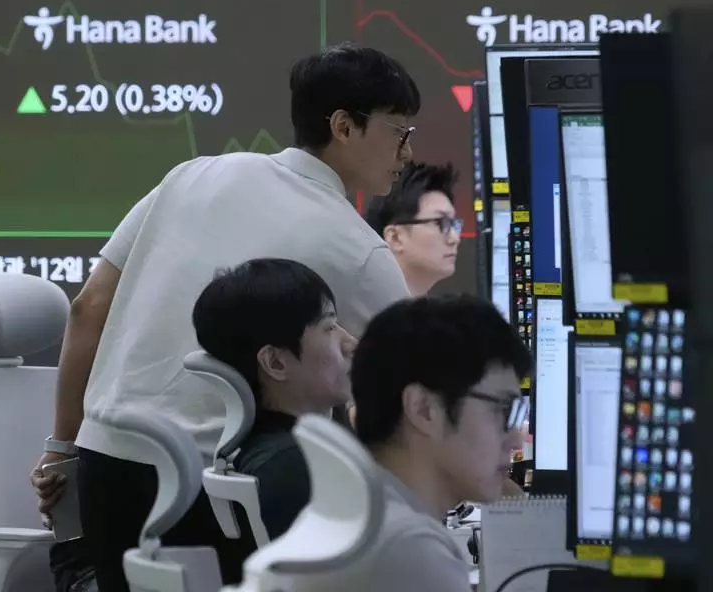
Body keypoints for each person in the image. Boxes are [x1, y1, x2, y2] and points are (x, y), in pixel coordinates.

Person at [30, 43, 419, 592]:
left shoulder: (193, 175)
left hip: (105, 468)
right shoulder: (360, 251)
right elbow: (421, 397)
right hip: (222, 490)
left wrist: (62, 450)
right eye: (400, 132)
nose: (407, 155)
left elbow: (88, 307)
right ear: (343, 126)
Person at [297, 295, 532, 591]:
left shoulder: (360, 516)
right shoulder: (409, 552)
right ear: (423, 409)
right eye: (503, 410)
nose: (514, 439)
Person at [192, 258, 354, 540]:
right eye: (329, 327)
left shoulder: (270, 453)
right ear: (276, 362)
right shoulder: (295, 464)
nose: (350, 342)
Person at [365, 162, 461, 296]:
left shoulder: (431, 314)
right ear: (395, 238)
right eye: (441, 223)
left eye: (453, 224)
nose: (454, 239)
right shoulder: (364, 310)